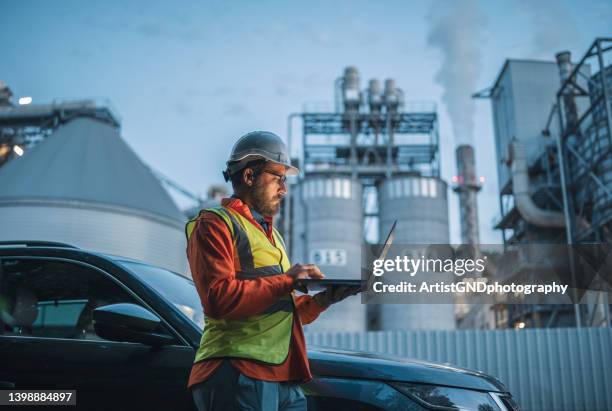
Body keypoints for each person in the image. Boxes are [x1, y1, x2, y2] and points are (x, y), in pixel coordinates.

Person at [185, 131, 360, 411]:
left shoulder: (272, 236)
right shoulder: (214, 224)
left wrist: (322, 301)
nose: (284, 189)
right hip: (238, 368)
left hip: (283, 376)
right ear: (249, 176)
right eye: (277, 177)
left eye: (285, 180)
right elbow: (218, 299)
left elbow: (279, 314)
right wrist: (288, 280)